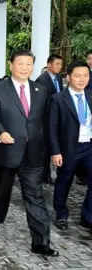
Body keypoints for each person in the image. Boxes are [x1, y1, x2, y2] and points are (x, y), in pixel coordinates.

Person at [0, 49, 58, 256]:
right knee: (1, 190)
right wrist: (1, 132)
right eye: (20, 63)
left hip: (33, 152)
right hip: (7, 150)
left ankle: (41, 242)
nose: (24, 68)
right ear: (11, 65)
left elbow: (44, 119)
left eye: (28, 64)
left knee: (35, 197)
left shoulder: (40, 89)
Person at [49, 61, 92, 231]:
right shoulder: (58, 99)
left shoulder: (90, 96)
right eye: (77, 75)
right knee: (64, 181)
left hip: (89, 146)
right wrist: (56, 151)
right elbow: (51, 128)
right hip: (68, 149)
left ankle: (87, 217)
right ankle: (61, 214)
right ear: (68, 77)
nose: (82, 79)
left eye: (86, 75)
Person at [36, 55, 64, 185]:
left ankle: (53, 172)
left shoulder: (58, 78)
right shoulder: (42, 80)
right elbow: (40, 102)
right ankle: (44, 174)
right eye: (56, 64)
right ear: (49, 65)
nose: (59, 66)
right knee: (45, 148)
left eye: (60, 64)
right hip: (46, 119)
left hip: (58, 117)